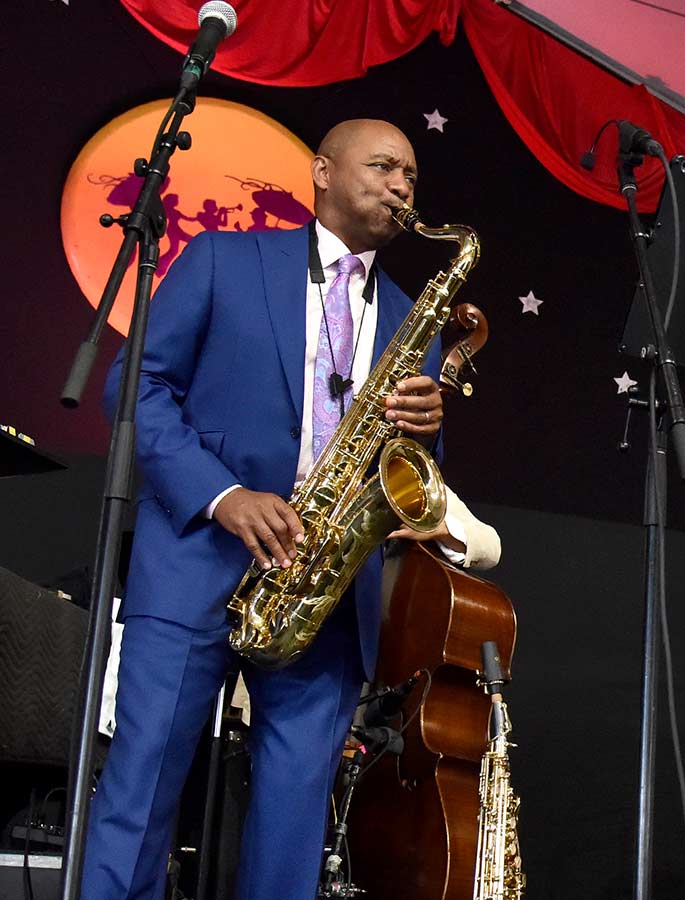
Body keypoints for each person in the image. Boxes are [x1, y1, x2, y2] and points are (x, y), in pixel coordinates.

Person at [83, 119, 447, 899]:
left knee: (293, 818)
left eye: (411, 176)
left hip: (322, 586)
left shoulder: (416, 316)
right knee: (141, 790)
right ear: (321, 171)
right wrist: (223, 495)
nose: (400, 186)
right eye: (383, 166)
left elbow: (411, 480)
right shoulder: (223, 257)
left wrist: (427, 434)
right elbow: (135, 387)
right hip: (197, 559)